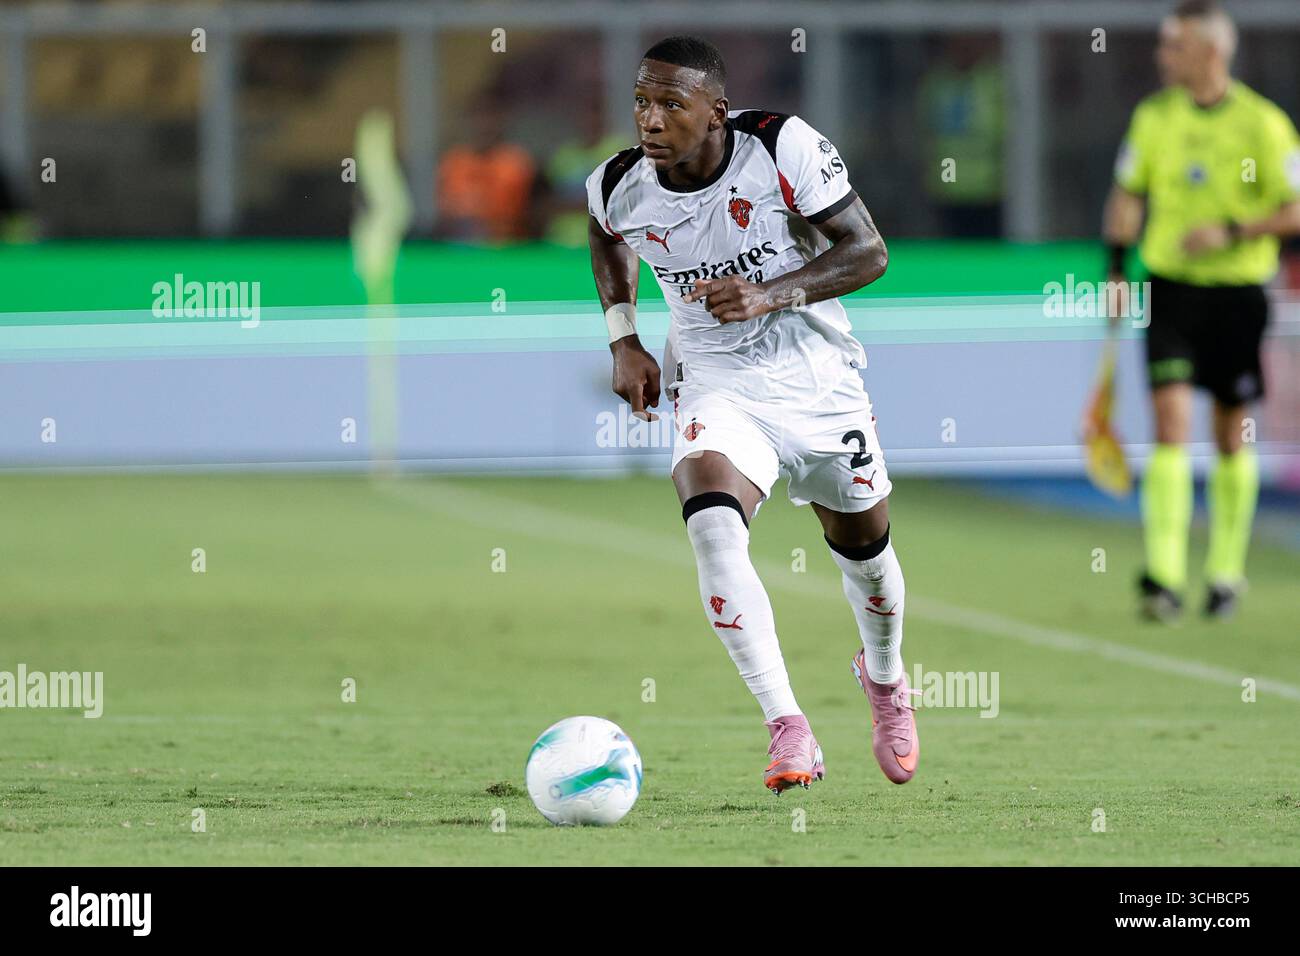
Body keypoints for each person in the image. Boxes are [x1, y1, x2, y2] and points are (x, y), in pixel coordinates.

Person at [586, 36, 916, 793]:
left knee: (868, 560)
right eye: (642, 99)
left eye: (672, 102)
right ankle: (786, 725)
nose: (651, 118)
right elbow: (607, 237)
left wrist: (771, 292)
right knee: (709, 520)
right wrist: (624, 338)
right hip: (717, 383)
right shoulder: (616, 184)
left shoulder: (780, 149)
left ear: (716, 113)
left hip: (819, 381)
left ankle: (888, 681)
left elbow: (869, 251)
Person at [1103, 0, 1300, 620]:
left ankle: (1225, 572)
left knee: (1229, 432)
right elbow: (1128, 195)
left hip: (1238, 296)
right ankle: (1163, 575)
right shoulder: (1154, 118)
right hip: (1172, 292)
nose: (1163, 56)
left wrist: (1235, 230)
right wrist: (1114, 268)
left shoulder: (1263, 125)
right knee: (1168, 424)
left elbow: (1295, 208)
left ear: (1211, 52)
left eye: (1174, 46)